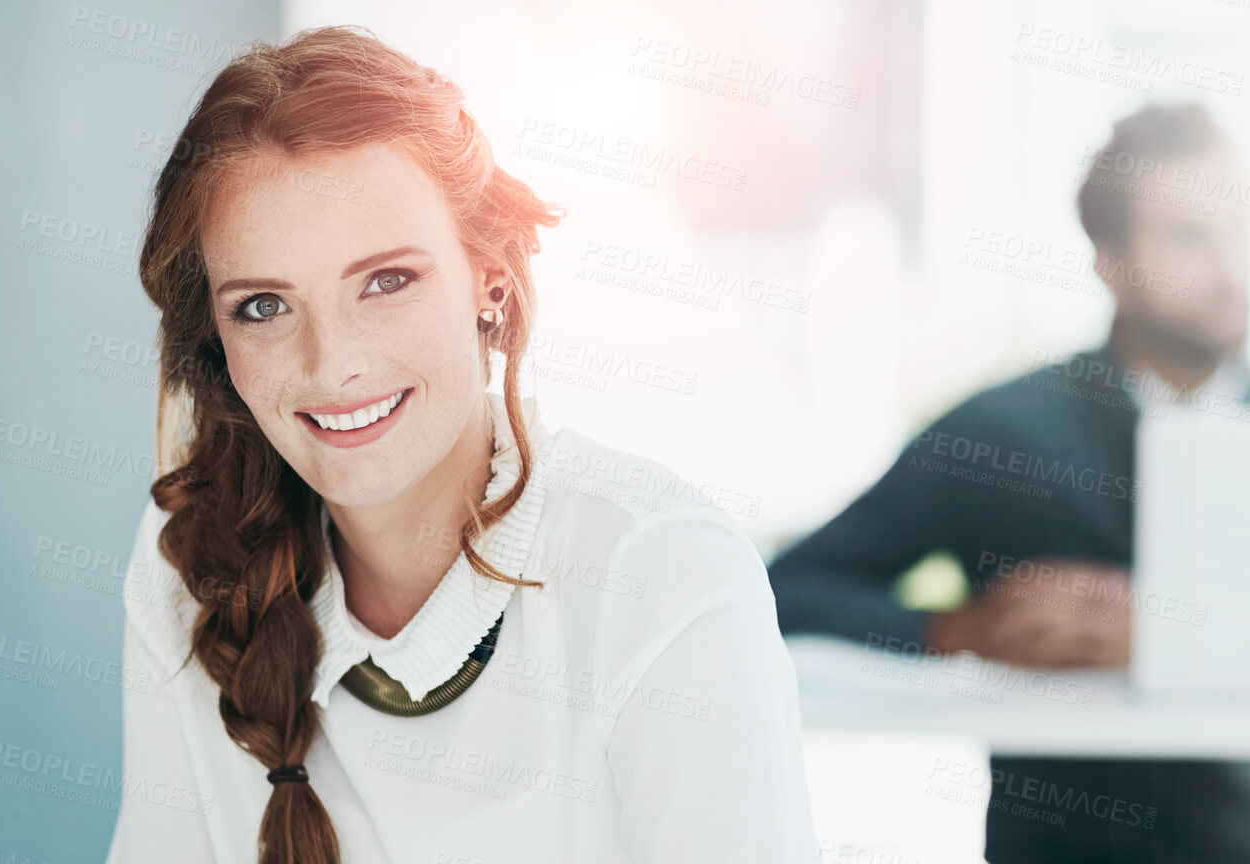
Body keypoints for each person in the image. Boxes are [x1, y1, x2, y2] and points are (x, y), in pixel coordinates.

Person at [106, 27, 814, 863]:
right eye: (263, 305)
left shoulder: (659, 574)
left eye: (387, 281)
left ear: (488, 280)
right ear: (216, 342)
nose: (333, 365)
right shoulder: (191, 555)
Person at [770, 102, 1250, 863]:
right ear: (1108, 262)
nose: (1228, 266)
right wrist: (954, 632)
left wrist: (1170, 633)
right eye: (1188, 236)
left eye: (1237, 229)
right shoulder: (1000, 435)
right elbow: (786, 591)